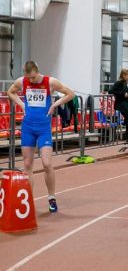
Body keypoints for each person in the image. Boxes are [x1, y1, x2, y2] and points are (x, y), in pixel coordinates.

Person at [7, 61, 75, 213]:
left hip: (44, 128)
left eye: (32, 78)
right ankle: (28, 199)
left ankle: (51, 197)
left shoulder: (50, 82)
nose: (30, 81)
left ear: (37, 72)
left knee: (46, 163)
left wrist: (55, 104)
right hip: (28, 127)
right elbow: (10, 92)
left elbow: (70, 94)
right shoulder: (22, 81)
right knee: (27, 164)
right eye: (28, 78)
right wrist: (21, 105)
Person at [109, 69, 128, 157]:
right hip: (122, 105)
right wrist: (123, 94)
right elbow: (111, 91)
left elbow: (126, 93)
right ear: (123, 75)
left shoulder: (124, 83)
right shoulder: (119, 82)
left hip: (127, 105)